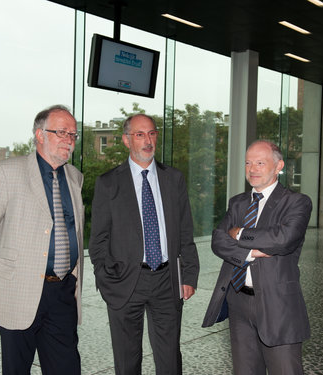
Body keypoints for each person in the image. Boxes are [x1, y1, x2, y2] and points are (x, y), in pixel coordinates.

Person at [0, 105, 84, 375]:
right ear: (40, 135)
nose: (69, 139)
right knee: (17, 369)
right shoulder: (8, 173)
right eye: (61, 132)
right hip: (18, 293)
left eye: (73, 134)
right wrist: (1, 270)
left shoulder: (74, 177)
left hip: (63, 293)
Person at [89, 114, 200, 375]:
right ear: (127, 140)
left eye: (151, 133)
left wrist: (190, 275)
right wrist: (106, 279)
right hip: (125, 280)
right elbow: (98, 240)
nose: (147, 140)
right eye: (140, 134)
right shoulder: (108, 183)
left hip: (166, 280)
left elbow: (186, 231)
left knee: (169, 358)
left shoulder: (173, 179)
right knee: (127, 360)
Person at [202, 140, 312, 375]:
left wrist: (239, 233)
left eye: (260, 163)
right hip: (239, 301)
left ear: (278, 165)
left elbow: (282, 239)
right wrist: (250, 251)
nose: (252, 169)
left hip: (277, 305)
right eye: (248, 163)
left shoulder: (296, 202)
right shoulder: (238, 203)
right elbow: (218, 241)